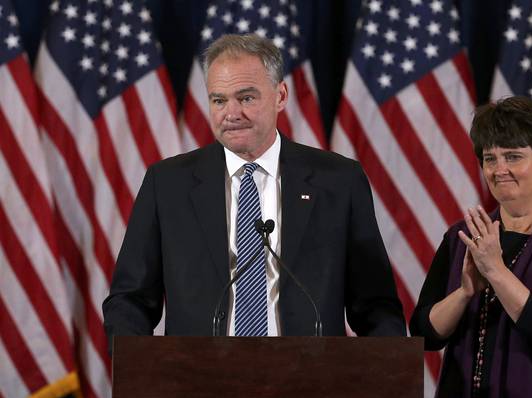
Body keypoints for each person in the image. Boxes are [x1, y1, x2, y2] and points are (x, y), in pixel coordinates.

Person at [102, 34, 405, 348]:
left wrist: (386, 377)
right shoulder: (167, 184)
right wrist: (141, 373)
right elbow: (130, 301)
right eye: (219, 100)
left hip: (310, 383)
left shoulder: (339, 181)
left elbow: (375, 306)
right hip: (198, 382)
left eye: (246, 98)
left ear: (281, 95)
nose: (231, 113)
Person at [410, 96, 532, 398]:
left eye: (513, 156)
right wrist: (463, 293)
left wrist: (496, 272)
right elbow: (424, 335)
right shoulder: (461, 236)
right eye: (490, 159)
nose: (499, 169)